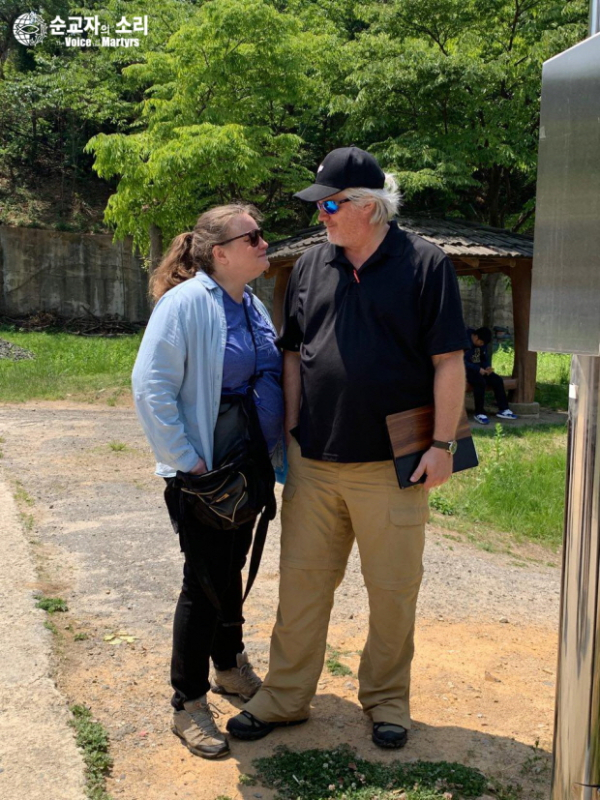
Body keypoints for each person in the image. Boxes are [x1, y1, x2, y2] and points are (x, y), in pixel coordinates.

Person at [227, 146, 469, 749]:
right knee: (301, 585)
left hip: (394, 466)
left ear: (369, 207)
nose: (323, 217)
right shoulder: (310, 266)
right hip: (315, 459)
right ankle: (285, 697)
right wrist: (288, 431)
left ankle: (387, 701)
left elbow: (448, 361)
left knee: (392, 591)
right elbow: (292, 353)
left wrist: (442, 443)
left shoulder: (425, 263)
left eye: (332, 206)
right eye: (320, 207)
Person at [131, 204, 283, 760]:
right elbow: (151, 387)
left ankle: (228, 665)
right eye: (254, 237)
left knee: (231, 568)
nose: (265, 243)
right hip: (207, 472)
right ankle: (188, 702)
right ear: (220, 253)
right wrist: (188, 463)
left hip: (247, 466)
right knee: (204, 581)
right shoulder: (186, 303)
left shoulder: (252, 305)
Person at [464, 326, 518, 424]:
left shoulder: (482, 344)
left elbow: (484, 358)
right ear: (475, 337)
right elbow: (460, 360)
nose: (481, 345)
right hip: (465, 370)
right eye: (481, 343)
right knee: (480, 382)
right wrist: (477, 369)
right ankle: (479, 412)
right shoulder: (463, 339)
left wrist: (487, 367)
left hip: (480, 369)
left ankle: (504, 409)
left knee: (497, 380)